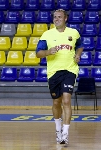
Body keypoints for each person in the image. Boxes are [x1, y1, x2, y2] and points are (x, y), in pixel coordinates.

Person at [36, 9, 83, 145]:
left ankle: (65, 134)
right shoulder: (47, 34)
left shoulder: (73, 33)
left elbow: (79, 46)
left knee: (67, 100)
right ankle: (58, 130)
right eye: (55, 17)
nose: (56, 19)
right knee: (57, 102)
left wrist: (78, 54)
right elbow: (38, 53)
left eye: (59, 17)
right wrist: (48, 52)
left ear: (65, 18)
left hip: (70, 70)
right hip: (53, 73)